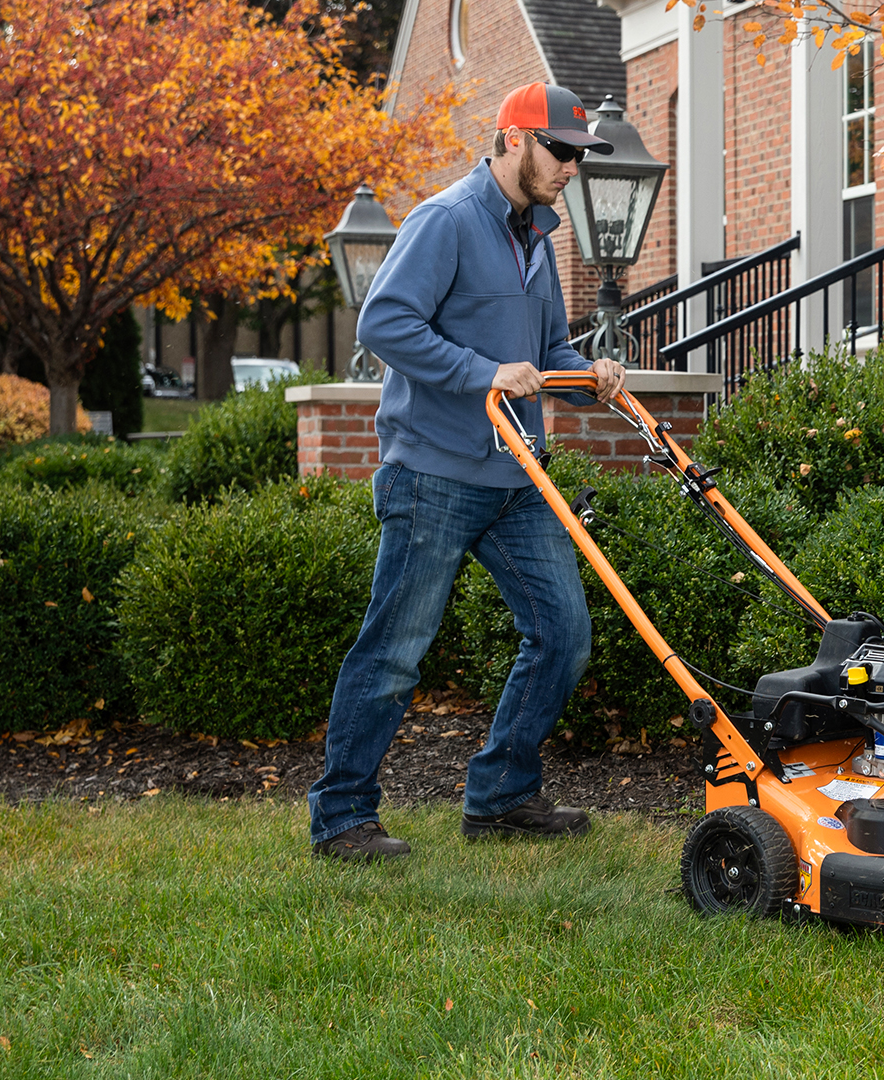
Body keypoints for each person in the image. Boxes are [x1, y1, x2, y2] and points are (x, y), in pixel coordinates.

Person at [307, 82, 626, 861]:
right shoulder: (446, 220)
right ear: (514, 139)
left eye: (580, 156)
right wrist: (480, 371)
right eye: (562, 151)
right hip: (436, 474)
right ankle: (342, 818)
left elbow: (544, 352)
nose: (572, 168)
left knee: (563, 635)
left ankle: (502, 797)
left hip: (519, 474)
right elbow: (385, 321)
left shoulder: (535, 240)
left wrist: (592, 375)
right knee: (395, 649)